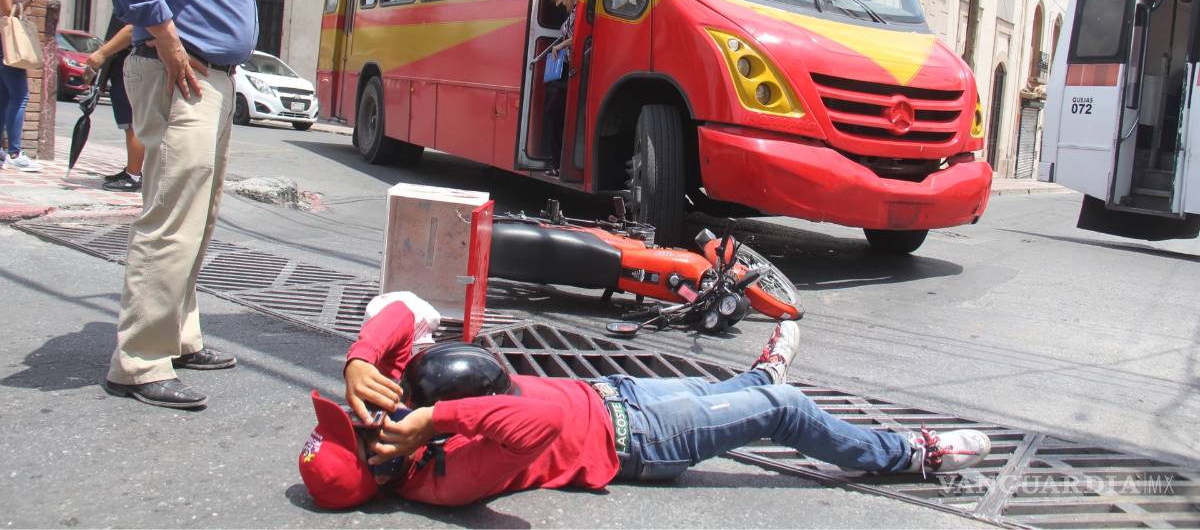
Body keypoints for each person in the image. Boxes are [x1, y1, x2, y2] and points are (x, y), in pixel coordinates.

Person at [298, 300, 991, 509]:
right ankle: (906, 453)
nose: (367, 413)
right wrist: (434, 422)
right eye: (364, 431)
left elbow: (402, 309)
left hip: (615, 394)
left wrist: (361, 357)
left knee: (755, 397)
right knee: (784, 412)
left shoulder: (400, 408)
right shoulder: (445, 478)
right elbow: (533, 423)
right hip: (643, 441)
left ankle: (754, 385)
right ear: (387, 465)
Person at [96, 0, 285, 410]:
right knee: (173, 215)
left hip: (211, 78)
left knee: (197, 214)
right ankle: (140, 360)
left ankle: (176, 333)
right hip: (183, 76)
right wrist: (167, 34)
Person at [0, 0, 56, 172]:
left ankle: (5, 152)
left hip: (2, 41)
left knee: (4, 97)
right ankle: (14, 151)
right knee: (21, 95)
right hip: (6, 41)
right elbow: (7, 11)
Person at [83, 17, 144, 192]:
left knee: (132, 122)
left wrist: (102, 53)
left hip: (131, 58)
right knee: (129, 121)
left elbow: (134, 27)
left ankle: (134, 175)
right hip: (123, 58)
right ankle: (132, 170)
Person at [541, 0, 578, 175]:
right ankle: (557, 162)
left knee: (554, 112)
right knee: (555, 112)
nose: (557, 4)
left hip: (573, 70)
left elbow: (580, 34)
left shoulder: (579, 10)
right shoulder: (573, 11)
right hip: (566, 68)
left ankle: (558, 163)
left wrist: (562, 45)